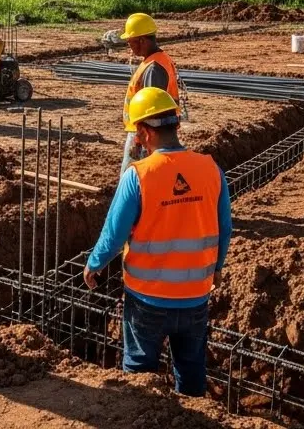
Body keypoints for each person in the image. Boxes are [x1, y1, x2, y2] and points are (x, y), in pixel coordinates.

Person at [83, 87, 231, 397]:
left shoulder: (139, 175)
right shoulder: (211, 170)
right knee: (191, 370)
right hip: (196, 298)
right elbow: (224, 229)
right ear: (176, 125)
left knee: (138, 375)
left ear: (143, 132)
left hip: (147, 300)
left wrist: (94, 265)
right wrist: (216, 269)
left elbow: (114, 234)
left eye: (136, 133)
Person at [119, 13, 180, 172]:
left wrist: (138, 142)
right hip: (149, 134)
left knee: (133, 180)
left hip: (145, 135)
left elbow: (151, 110)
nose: (129, 47)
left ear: (141, 40)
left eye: (130, 42)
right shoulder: (157, 60)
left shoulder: (153, 68)